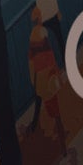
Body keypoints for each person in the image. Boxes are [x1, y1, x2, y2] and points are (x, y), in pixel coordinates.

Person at [27, 15, 64, 143]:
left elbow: (32, 64)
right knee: (55, 110)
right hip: (48, 78)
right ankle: (62, 140)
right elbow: (50, 58)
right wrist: (57, 73)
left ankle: (36, 125)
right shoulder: (43, 36)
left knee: (49, 107)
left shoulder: (33, 41)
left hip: (42, 80)